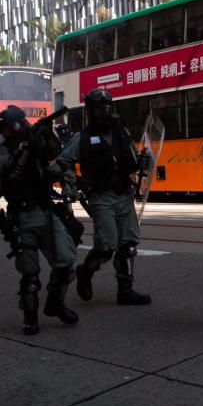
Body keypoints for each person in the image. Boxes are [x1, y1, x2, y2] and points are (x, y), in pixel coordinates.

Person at [57, 89, 151, 306]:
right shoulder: (83, 138)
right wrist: (70, 188)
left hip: (124, 194)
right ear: (91, 110)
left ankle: (125, 290)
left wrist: (143, 161)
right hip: (101, 197)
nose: (105, 112)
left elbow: (131, 158)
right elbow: (63, 163)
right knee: (106, 246)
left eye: (108, 107)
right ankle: (85, 272)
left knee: (128, 245)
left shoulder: (121, 132)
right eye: (100, 108)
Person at [0, 105, 79, 336]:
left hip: (46, 212)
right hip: (22, 217)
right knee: (30, 276)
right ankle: (30, 318)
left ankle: (55, 303)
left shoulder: (35, 142)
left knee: (66, 263)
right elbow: (8, 174)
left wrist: (44, 138)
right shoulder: (3, 150)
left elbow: (55, 154)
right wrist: (24, 149)